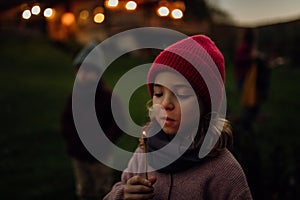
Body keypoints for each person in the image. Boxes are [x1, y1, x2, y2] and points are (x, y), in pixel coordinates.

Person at [104, 35, 252, 199]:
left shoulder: (223, 172)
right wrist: (123, 195)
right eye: (159, 93)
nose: (165, 104)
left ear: (206, 105)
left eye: (181, 94)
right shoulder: (144, 152)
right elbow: (118, 189)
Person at [61, 41, 125, 200]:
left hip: (100, 155)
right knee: (84, 188)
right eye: (80, 70)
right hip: (78, 153)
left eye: (89, 71)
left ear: (98, 73)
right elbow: (67, 120)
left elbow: (119, 123)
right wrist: (72, 140)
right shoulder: (75, 96)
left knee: (102, 189)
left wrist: (103, 142)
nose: (84, 75)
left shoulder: (107, 98)